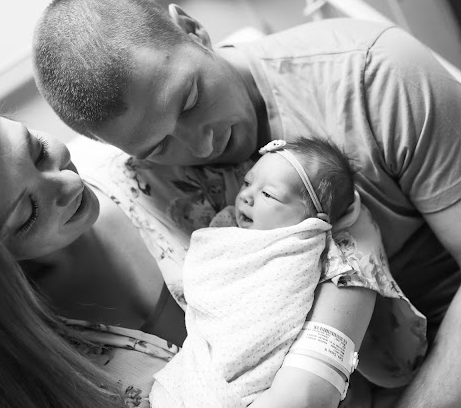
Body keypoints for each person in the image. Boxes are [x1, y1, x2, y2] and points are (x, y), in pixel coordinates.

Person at [32, 0, 461, 405]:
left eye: (190, 101)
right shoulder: (145, 191)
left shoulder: (372, 73)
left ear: (192, 29)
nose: (201, 144)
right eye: (159, 145)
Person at [0, 92, 397, 407]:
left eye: (38, 150)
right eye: (27, 213)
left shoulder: (146, 172)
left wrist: (312, 380)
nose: (69, 183)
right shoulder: (18, 383)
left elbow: (338, 228)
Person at [150, 136, 426, 407]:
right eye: (247, 183)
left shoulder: (302, 252)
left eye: (268, 194)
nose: (246, 196)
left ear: (312, 222)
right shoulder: (229, 230)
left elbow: (270, 318)